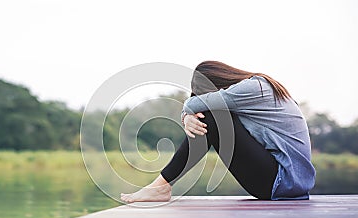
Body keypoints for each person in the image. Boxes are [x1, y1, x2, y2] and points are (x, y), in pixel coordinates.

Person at [120, 61, 316, 203]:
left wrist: (187, 115)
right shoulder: (260, 87)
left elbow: (196, 104)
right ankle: (160, 186)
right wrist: (188, 115)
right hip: (289, 183)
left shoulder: (253, 87)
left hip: (282, 181)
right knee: (211, 115)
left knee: (211, 117)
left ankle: (160, 187)